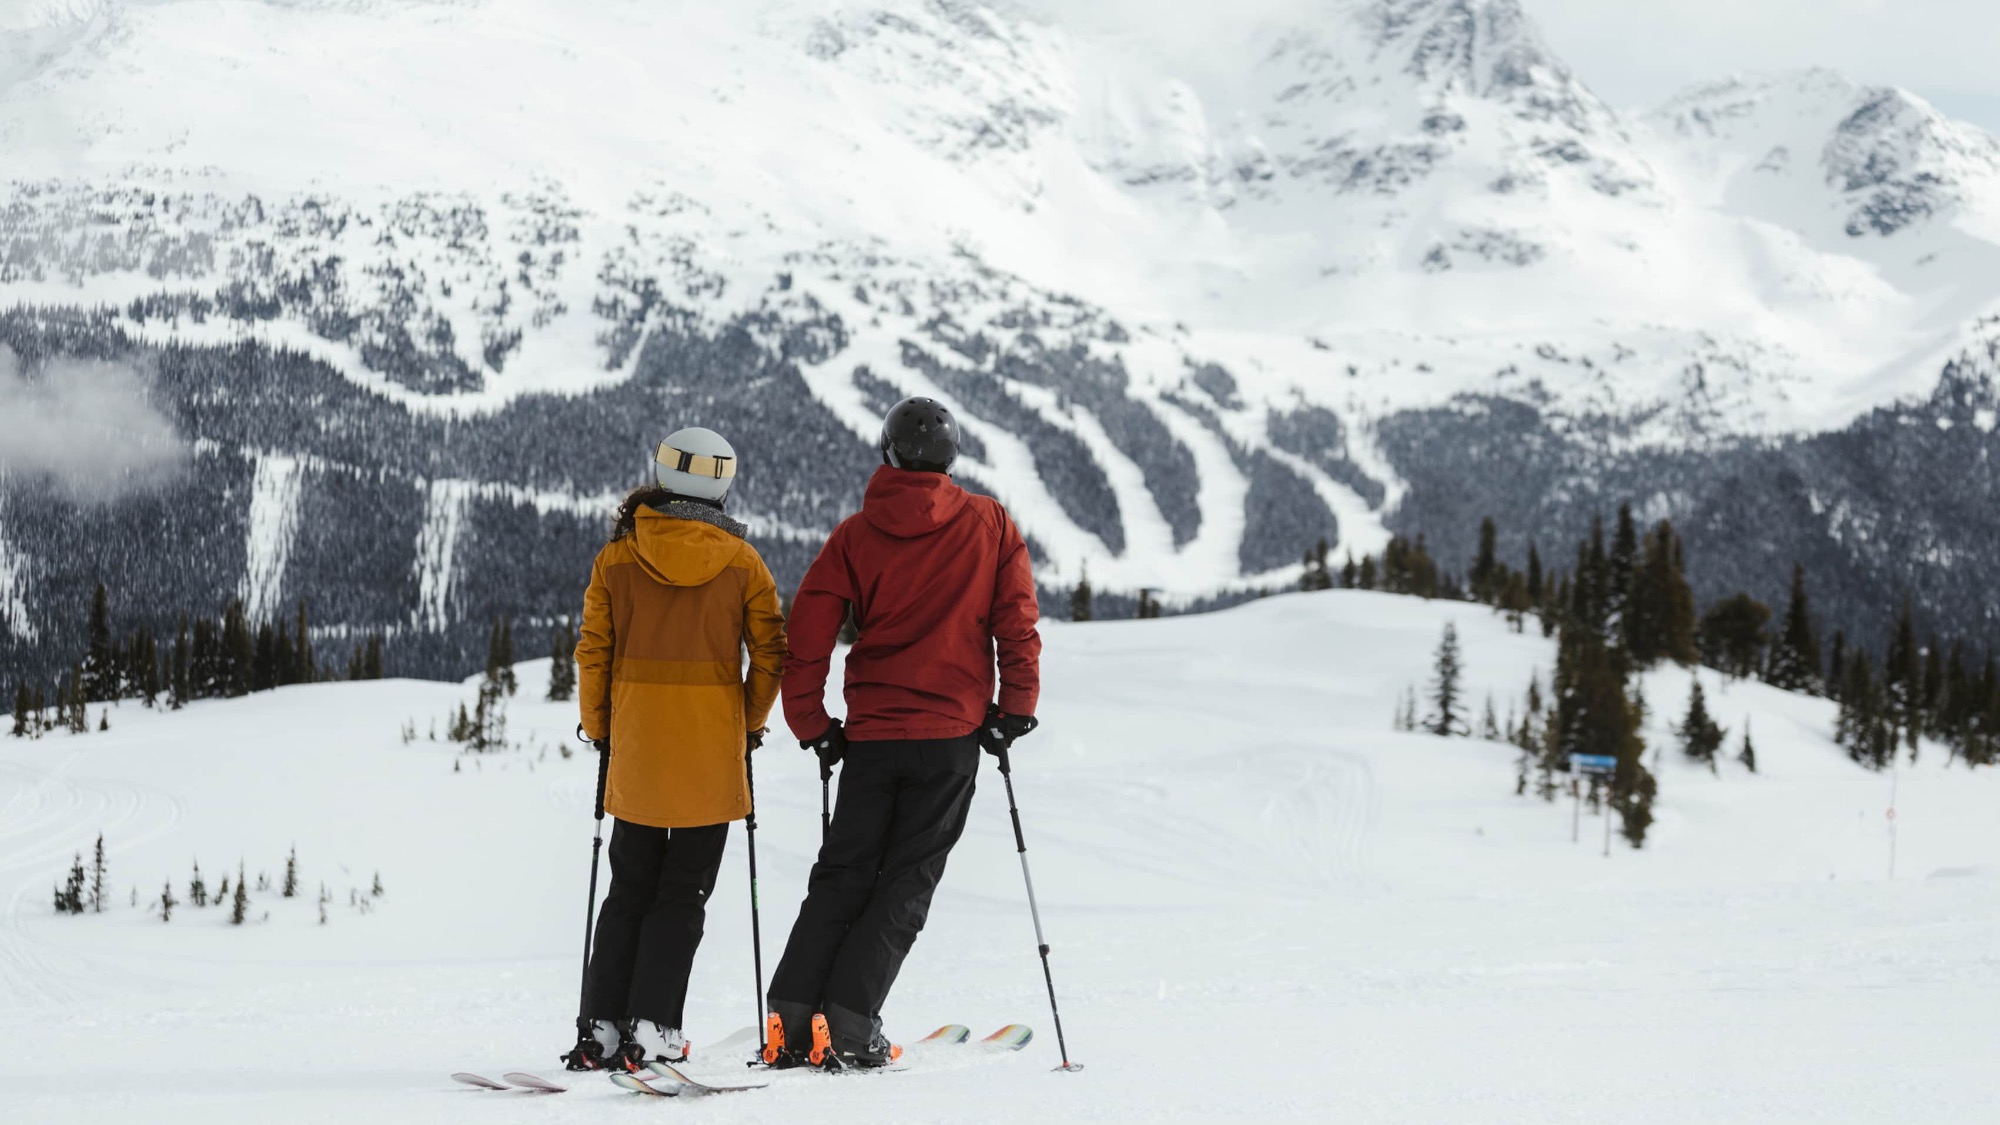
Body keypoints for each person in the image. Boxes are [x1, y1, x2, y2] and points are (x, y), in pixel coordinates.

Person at [763, 397, 1042, 1069]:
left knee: (842, 872)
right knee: (906, 882)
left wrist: (813, 724)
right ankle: (851, 1021)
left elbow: (807, 637)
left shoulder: (855, 537)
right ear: (950, 459)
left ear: (886, 453)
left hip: (873, 738)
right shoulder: (990, 523)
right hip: (949, 735)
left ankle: (792, 1016)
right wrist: (1016, 708)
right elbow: (1017, 620)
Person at [561, 426, 788, 1072]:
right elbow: (773, 651)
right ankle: (655, 1026)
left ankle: (601, 1026)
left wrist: (600, 726)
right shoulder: (743, 563)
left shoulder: (619, 557)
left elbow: (593, 650)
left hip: (634, 748)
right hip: (712, 755)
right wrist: (745, 722)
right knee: (683, 891)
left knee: (628, 884)